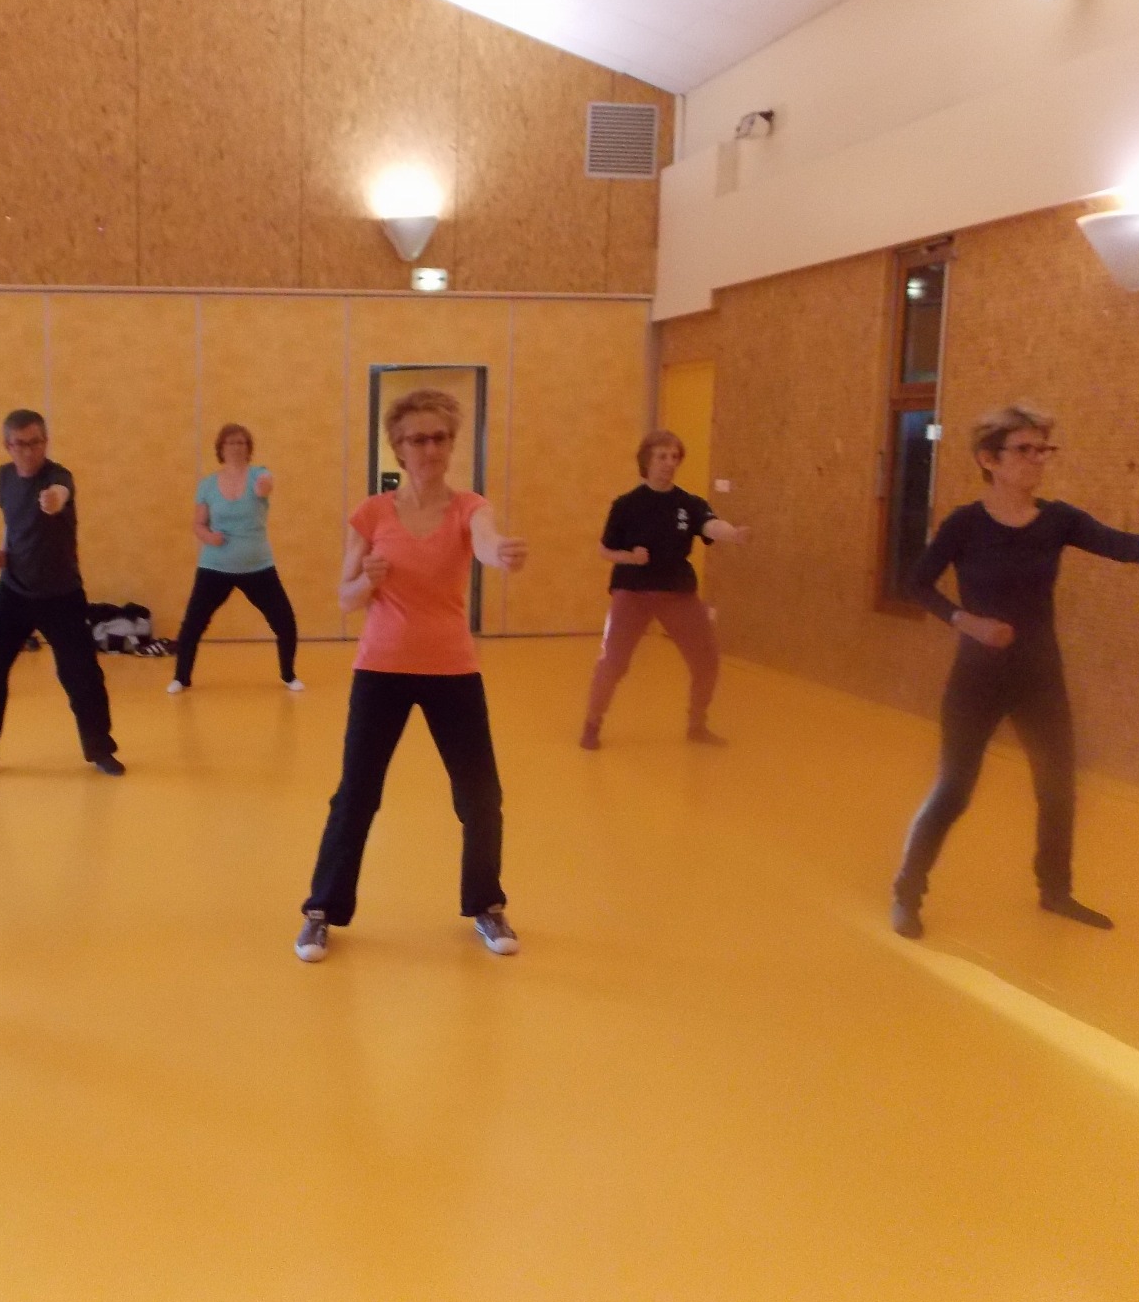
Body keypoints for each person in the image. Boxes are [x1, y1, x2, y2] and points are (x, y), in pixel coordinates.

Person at [891, 402, 1139, 939]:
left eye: (1042, 449)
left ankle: (1055, 890)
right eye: (1024, 450)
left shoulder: (1058, 521)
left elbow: (1121, 545)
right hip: (978, 678)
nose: (1037, 459)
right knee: (954, 790)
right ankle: (907, 892)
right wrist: (966, 621)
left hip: (1038, 676)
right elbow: (916, 582)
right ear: (989, 459)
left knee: (1057, 788)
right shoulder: (965, 525)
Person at [295, 388, 528, 963]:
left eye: (440, 438)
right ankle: (321, 912)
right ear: (398, 448)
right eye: (418, 439)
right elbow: (346, 598)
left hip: (452, 668)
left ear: (452, 444)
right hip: (381, 668)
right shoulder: (372, 514)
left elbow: (485, 542)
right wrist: (368, 580)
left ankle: (486, 904)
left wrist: (500, 553)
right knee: (356, 795)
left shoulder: (469, 507)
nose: (430, 448)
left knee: (480, 795)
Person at [0, 409, 122, 781]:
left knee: (81, 675)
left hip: (61, 594)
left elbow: (61, 492)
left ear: (45, 442)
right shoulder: (4, 477)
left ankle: (100, 749)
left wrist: (55, 500)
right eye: (20, 444)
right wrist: (2, 552)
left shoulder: (58, 477)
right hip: (13, 590)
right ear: (8, 446)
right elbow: (11, 522)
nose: (29, 451)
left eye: (36, 443)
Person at [580, 429, 750, 750]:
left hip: (677, 591)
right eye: (662, 457)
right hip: (633, 592)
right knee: (614, 661)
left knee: (707, 659)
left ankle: (697, 724)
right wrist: (630, 557)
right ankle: (592, 723)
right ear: (647, 461)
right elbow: (605, 550)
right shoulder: (626, 505)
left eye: (674, 457)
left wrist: (732, 534)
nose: (669, 463)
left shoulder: (689, 504)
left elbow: (710, 525)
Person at [169, 423, 302, 694]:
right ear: (221, 448)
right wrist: (209, 537)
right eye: (231, 443)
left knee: (284, 621)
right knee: (193, 623)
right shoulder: (207, 485)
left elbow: (266, 485)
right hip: (214, 566)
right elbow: (198, 524)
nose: (236, 447)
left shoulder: (258, 474)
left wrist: (264, 486)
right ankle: (181, 678)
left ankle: (289, 675)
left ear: (248, 448)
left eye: (241, 442)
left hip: (258, 566)